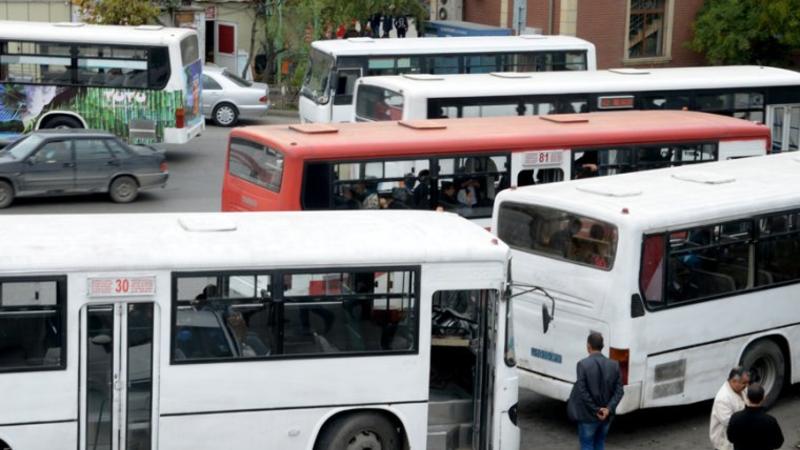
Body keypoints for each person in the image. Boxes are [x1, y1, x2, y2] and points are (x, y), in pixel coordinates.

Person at [566, 332, 624, 450]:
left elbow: (583, 392)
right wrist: (608, 409)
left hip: (588, 416)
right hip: (606, 417)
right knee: (600, 443)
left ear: (588, 346)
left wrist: (596, 409)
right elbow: (619, 391)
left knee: (587, 445)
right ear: (602, 346)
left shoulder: (582, 364)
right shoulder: (614, 365)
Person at [727, 383, 784, 450]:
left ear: (747, 397)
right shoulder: (770, 421)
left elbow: (730, 439)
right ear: (763, 398)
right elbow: (778, 443)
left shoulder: (735, 418)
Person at [710, 366, 750, 450]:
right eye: (744, 383)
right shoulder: (723, 398)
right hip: (725, 443)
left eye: (747, 382)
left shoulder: (742, 389)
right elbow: (730, 423)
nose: (746, 386)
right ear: (734, 381)